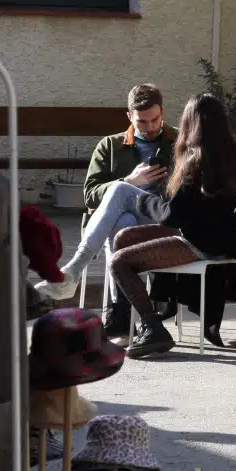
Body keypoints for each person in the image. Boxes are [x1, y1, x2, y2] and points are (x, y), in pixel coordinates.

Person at [107, 94, 236, 357]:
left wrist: (142, 201)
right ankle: (136, 321)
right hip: (218, 237)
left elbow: (172, 216)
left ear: (189, 124)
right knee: (124, 238)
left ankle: (153, 329)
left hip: (199, 243)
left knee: (119, 263)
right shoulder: (235, 153)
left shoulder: (194, 160)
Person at [68, 84, 176, 308]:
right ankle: (124, 309)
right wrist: (130, 182)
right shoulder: (110, 146)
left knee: (120, 195)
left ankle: (114, 304)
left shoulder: (179, 141)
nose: (150, 127)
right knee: (123, 220)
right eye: (142, 122)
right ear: (129, 116)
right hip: (123, 224)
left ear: (162, 112)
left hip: (163, 221)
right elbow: (90, 195)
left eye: (155, 119)